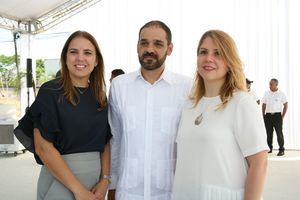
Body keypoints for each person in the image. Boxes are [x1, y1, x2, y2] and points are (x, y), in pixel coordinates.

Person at [14, 31, 112, 200]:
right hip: (61, 182)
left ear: (96, 61)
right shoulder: (50, 92)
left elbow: (105, 143)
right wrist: (79, 191)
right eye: (73, 52)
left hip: (94, 185)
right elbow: (43, 148)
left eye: (87, 53)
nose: (80, 58)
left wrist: (104, 181)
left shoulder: (100, 97)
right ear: (65, 58)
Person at [172, 30, 268, 200]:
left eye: (218, 53)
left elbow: (259, 164)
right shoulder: (189, 105)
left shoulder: (241, 103)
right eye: (203, 52)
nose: (208, 58)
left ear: (230, 62)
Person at [108, 20, 191, 200]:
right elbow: (115, 139)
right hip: (128, 192)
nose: (149, 49)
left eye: (158, 44)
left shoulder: (186, 87)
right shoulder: (119, 86)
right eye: (144, 43)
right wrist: (112, 185)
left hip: (170, 193)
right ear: (137, 46)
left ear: (170, 49)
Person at [262, 78, 288, 156]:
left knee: (279, 133)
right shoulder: (266, 93)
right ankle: (269, 148)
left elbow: (286, 104)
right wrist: (263, 115)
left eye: (271, 84)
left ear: (276, 85)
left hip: (277, 116)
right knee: (269, 133)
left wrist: (282, 116)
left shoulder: (281, 93)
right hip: (268, 116)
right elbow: (264, 104)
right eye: (269, 84)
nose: (269, 86)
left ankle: (281, 149)